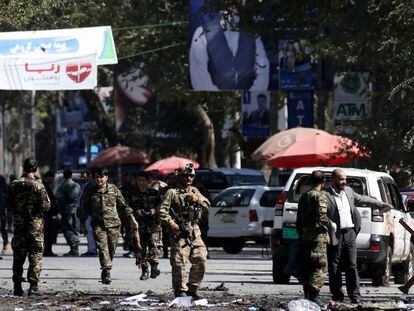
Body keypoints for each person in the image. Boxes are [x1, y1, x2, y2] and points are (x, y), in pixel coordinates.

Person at [324, 168, 392, 304]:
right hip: (335, 234)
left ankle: (355, 296)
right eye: (341, 179)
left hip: (349, 233)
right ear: (333, 179)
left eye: (345, 179)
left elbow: (362, 198)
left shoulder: (348, 191)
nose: (344, 182)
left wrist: (380, 203)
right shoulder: (325, 195)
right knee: (334, 266)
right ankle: (337, 296)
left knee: (352, 265)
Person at [189, 1, 269, 91]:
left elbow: (263, 70)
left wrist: (249, 94)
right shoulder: (202, 33)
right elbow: (200, 81)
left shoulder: (253, 34)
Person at [79, 168, 139, 284]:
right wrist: (82, 224)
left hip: (114, 225)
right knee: (102, 248)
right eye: (97, 177)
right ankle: (106, 271)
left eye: (102, 177)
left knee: (111, 249)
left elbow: (124, 206)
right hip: (98, 225)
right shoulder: (90, 191)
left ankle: (107, 265)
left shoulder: (114, 189)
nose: (99, 180)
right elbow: (84, 208)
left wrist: (132, 219)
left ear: (106, 177)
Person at [159, 163, 210, 299]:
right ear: (180, 176)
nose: (188, 178)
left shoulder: (194, 191)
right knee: (179, 262)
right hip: (179, 233)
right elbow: (162, 211)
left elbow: (207, 205)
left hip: (194, 231)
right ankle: (180, 290)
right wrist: (172, 224)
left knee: (201, 259)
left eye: (191, 176)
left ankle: (192, 289)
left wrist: (197, 199)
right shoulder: (171, 192)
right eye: (185, 175)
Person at [7, 158, 51, 296]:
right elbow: (46, 206)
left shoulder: (14, 184)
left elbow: (9, 204)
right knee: (35, 256)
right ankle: (33, 287)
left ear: (24, 168)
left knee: (18, 256)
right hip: (35, 227)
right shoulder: (38, 185)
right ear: (35, 169)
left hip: (19, 226)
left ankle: (17, 287)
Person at [296, 170, 334, 305]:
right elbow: (322, 217)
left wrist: (301, 234)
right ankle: (314, 297)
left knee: (308, 267)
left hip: (305, 237)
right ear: (323, 182)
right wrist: (330, 226)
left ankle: (307, 295)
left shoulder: (304, 196)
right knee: (319, 267)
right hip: (317, 238)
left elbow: (298, 219)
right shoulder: (319, 196)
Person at [128, 171, 162, 280]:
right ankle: (144, 270)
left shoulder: (154, 193)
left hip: (153, 224)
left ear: (148, 182)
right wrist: (135, 211)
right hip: (139, 225)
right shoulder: (132, 194)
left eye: (143, 180)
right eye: (139, 180)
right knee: (141, 248)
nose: (141, 183)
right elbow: (127, 208)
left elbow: (162, 206)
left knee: (154, 245)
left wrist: (154, 210)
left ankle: (154, 267)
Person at [56, 168, 81, 257]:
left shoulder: (63, 185)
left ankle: (73, 249)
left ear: (64, 176)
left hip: (66, 210)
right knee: (75, 228)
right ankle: (76, 248)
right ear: (71, 175)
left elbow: (59, 197)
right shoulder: (77, 185)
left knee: (67, 229)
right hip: (76, 210)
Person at [78, 170, 97, 257]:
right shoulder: (85, 186)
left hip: (90, 213)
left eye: (84, 176)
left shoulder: (91, 186)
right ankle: (91, 249)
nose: (82, 178)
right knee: (89, 231)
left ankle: (92, 250)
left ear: (89, 176)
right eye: (81, 176)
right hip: (87, 213)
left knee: (90, 231)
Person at [42, 171, 60, 257]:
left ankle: (48, 250)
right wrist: (55, 212)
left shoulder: (46, 185)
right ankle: (47, 250)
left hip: (48, 213)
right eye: (52, 178)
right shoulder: (44, 186)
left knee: (49, 233)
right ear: (48, 177)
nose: (53, 180)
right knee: (47, 233)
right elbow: (50, 201)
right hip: (46, 213)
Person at [0, 174, 9, 254]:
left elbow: (6, 193)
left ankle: (5, 244)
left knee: (3, 228)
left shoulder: (2, 179)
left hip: (2, 209)